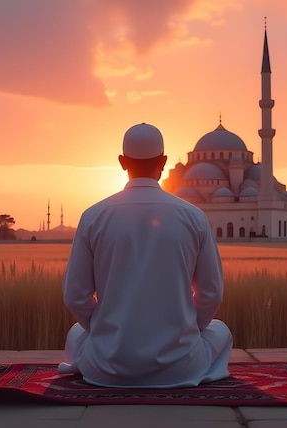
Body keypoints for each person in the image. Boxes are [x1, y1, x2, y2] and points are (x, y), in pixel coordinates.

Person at [58, 123, 232, 388]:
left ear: (122, 162)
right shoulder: (194, 216)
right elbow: (211, 293)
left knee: (76, 333)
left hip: (106, 368)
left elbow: (75, 296)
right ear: (163, 162)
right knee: (220, 331)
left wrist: (106, 332)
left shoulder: (93, 216)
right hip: (181, 368)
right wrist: (187, 331)